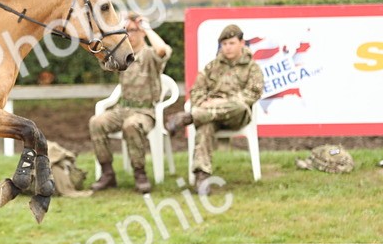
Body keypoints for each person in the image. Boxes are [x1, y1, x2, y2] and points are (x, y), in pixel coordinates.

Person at [165, 23, 263, 195]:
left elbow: (253, 94)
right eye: (224, 44)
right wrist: (203, 103)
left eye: (231, 43)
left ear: (241, 43)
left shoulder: (252, 67)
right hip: (210, 117)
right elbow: (196, 91)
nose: (228, 47)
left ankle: (189, 117)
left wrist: (219, 103)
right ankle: (201, 177)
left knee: (239, 105)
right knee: (205, 127)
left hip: (236, 115)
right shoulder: (212, 67)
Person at [88, 13, 171, 194]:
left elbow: (162, 50)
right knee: (96, 122)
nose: (130, 35)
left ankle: (140, 174)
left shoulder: (149, 54)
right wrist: (113, 29)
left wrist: (146, 27)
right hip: (123, 108)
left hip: (145, 112)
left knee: (131, 125)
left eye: (134, 30)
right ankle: (107, 173)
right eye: (127, 31)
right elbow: (102, 56)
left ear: (142, 32)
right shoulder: (123, 55)